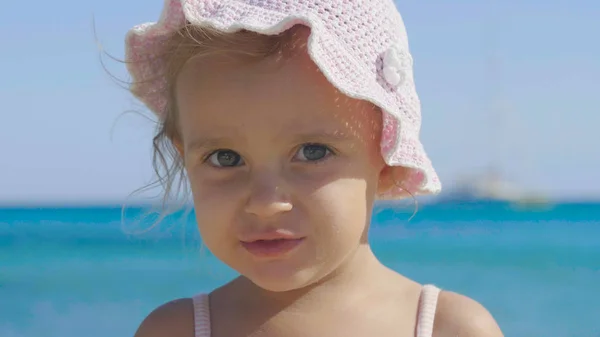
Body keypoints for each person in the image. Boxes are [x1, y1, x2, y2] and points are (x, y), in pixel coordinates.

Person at [124, 0, 503, 336]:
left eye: (312, 152)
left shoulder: (449, 329)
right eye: (226, 158)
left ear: (387, 157)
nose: (265, 203)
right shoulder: (176, 331)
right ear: (185, 156)